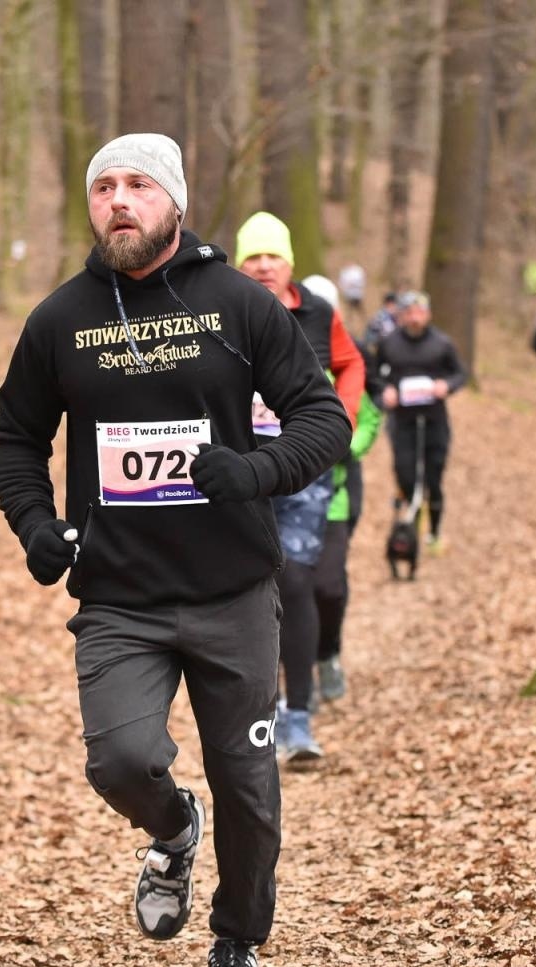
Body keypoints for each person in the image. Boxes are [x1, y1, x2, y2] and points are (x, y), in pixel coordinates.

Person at [0, 134, 351, 967]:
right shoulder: (59, 320)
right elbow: (15, 437)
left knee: (249, 786)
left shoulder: (237, 304)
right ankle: (173, 828)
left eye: (139, 185)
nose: (119, 200)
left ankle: (235, 940)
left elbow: (323, 416)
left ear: (175, 202)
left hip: (231, 592)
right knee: (120, 761)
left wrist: (257, 472)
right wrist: (36, 524)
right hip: (120, 597)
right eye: (104, 186)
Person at [232, 219, 364, 763]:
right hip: (240, 467)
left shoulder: (318, 312)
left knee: (301, 580)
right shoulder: (219, 306)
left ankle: (299, 718)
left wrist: (344, 420)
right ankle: (254, 718)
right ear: (239, 264)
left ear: (288, 263)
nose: (263, 265)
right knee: (245, 585)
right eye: (253, 256)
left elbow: (351, 363)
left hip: (306, 466)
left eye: (272, 256)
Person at [297, 275, 384, 705]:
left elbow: (369, 417)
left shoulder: (343, 363)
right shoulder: (274, 359)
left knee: (327, 586)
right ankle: (295, 678)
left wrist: (346, 445)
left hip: (336, 496)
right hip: (282, 497)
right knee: (289, 587)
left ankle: (327, 654)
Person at [375, 291, 468, 548]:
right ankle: (410, 529)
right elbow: (374, 374)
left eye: (420, 312)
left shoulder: (442, 343)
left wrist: (446, 386)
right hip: (402, 421)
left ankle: (435, 533)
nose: (415, 318)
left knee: (433, 477)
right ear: (402, 316)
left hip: (434, 420)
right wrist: (385, 390)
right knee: (405, 474)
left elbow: (460, 374)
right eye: (409, 313)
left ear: (428, 315)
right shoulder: (389, 343)